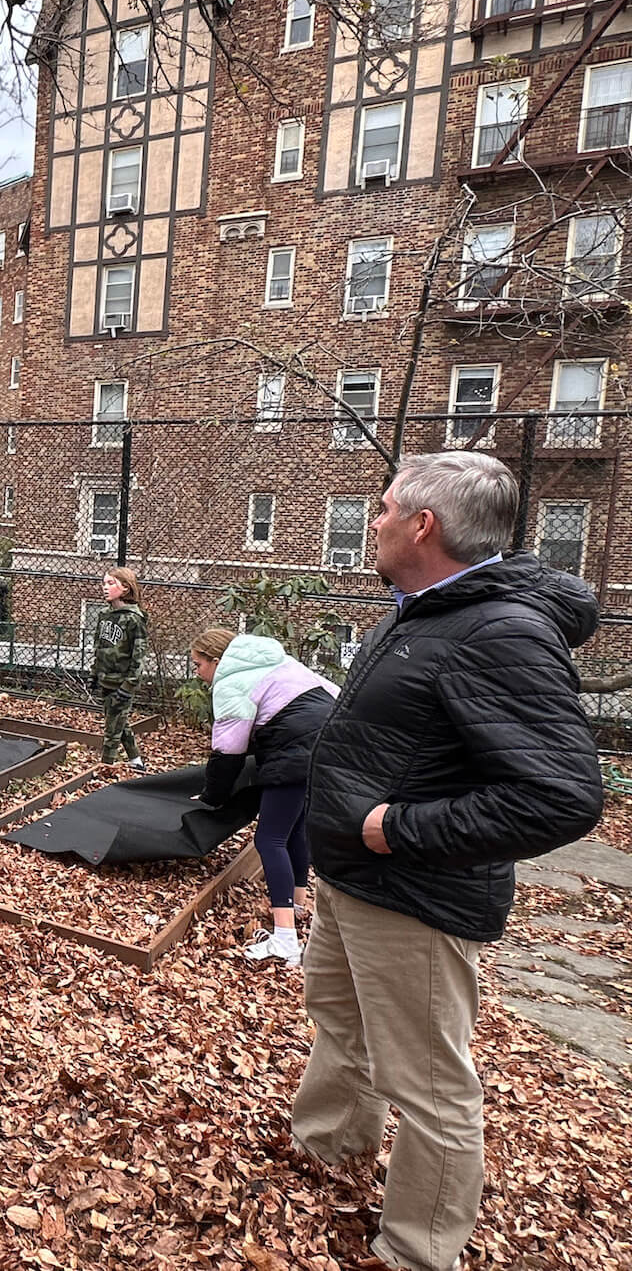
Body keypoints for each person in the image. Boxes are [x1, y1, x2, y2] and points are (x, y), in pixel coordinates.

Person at [291, 451, 602, 1271]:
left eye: (386, 506)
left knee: (430, 1086)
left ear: (423, 525)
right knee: (338, 1019)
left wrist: (399, 829)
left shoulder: (499, 632)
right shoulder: (427, 607)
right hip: (355, 883)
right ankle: (330, 1143)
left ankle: (418, 1248)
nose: (376, 518)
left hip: (414, 900)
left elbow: (561, 795)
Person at [189, 627, 338, 967]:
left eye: (198, 665)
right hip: (331, 743)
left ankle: (285, 939)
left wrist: (212, 796)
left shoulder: (230, 679)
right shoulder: (279, 662)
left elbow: (228, 751)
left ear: (216, 660)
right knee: (294, 829)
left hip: (295, 749)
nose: (197, 673)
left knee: (269, 839)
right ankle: (298, 905)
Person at [89, 567, 149, 768]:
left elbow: (138, 656)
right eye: (104, 583)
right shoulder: (104, 615)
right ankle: (136, 761)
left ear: (125, 588)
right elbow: (99, 647)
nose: (105, 587)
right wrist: (94, 674)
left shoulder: (134, 619)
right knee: (118, 723)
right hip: (106, 679)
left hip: (122, 683)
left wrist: (129, 685)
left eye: (110, 583)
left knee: (112, 730)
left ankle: (106, 767)